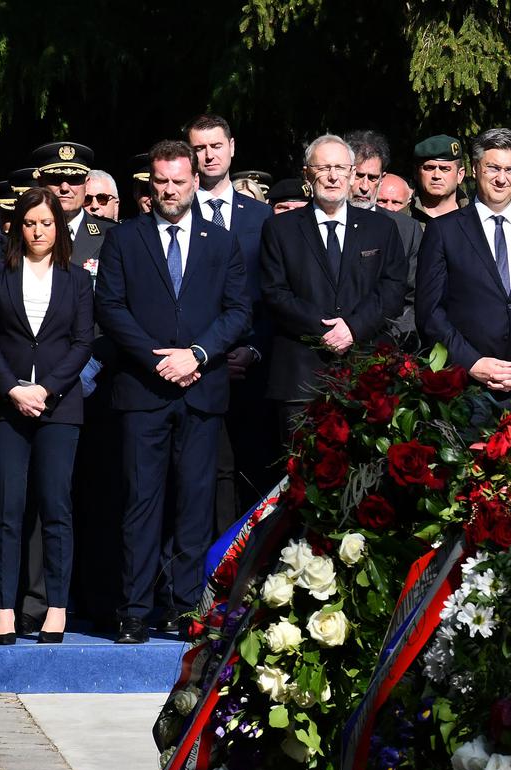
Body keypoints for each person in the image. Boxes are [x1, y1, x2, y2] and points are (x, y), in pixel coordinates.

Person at [95, 140, 250, 644]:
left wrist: (198, 356)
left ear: (194, 182)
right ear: (150, 183)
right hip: (143, 390)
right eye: (161, 181)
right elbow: (111, 307)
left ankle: (184, 608)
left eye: (178, 181)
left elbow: (237, 312)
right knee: (141, 502)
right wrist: (157, 358)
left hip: (202, 391)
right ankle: (134, 609)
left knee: (194, 503)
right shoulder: (125, 239)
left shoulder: (220, 242)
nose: (169, 189)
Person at [0, 186, 95, 644]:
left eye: (46, 222)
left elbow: (83, 342)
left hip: (59, 405)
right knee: (7, 508)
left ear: (58, 227)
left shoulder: (77, 278)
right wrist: (13, 389)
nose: (38, 230)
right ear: (16, 227)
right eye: (30, 222)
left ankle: (56, 609)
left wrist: (44, 389)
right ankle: (4, 609)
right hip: (6, 406)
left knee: (56, 506)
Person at [415, 128, 511, 400]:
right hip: (464, 386)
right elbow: (430, 312)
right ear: (476, 169)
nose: (502, 179)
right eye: (493, 168)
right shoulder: (444, 231)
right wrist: (472, 363)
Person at [260, 133, 407, 425]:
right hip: (300, 378)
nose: (332, 177)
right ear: (307, 174)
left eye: (340, 168)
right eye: (323, 168)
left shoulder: (381, 228)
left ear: (352, 175)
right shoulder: (279, 229)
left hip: (365, 376)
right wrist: (324, 328)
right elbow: (274, 292)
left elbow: (392, 288)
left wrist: (353, 328)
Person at [187, 113, 271, 523]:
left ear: (232, 147)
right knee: (206, 480)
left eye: (215, 146)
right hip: (199, 366)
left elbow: (273, 293)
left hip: (253, 365)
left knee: (254, 470)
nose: (208, 156)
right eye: (199, 149)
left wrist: (253, 349)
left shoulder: (262, 217)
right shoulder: (179, 217)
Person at [347, 131, 423, 347]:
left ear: (382, 178)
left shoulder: (406, 229)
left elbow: (413, 298)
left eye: (372, 178)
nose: (364, 186)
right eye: (358, 175)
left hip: (385, 348)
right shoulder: (321, 221)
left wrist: (389, 344)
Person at [32, 141, 114, 277]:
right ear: (41, 183)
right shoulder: (24, 234)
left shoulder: (111, 235)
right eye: (56, 178)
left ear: (86, 184)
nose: (64, 188)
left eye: (74, 179)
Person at [412, 135, 466, 220]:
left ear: (460, 175)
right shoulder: (402, 221)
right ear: (416, 173)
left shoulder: (477, 219)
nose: (436, 176)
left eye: (444, 169)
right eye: (429, 168)